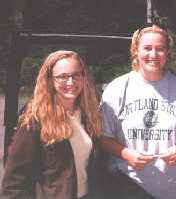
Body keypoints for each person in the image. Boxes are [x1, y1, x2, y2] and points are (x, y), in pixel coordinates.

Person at [99, 24, 176, 199]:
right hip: (129, 186)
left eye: (160, 49)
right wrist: (126, 153)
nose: (153, 55)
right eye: (147, 48)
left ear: (167, 53)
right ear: (136, 50)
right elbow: (102, 137)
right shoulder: (117, 88)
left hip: (173, 189)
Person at [1, 50, 103, 199]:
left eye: (76, 75)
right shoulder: (34, 119)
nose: (70, 82)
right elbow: (14, 183)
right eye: (62, 77)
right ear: (50, 80)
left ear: (83, 77)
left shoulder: (89, 114)